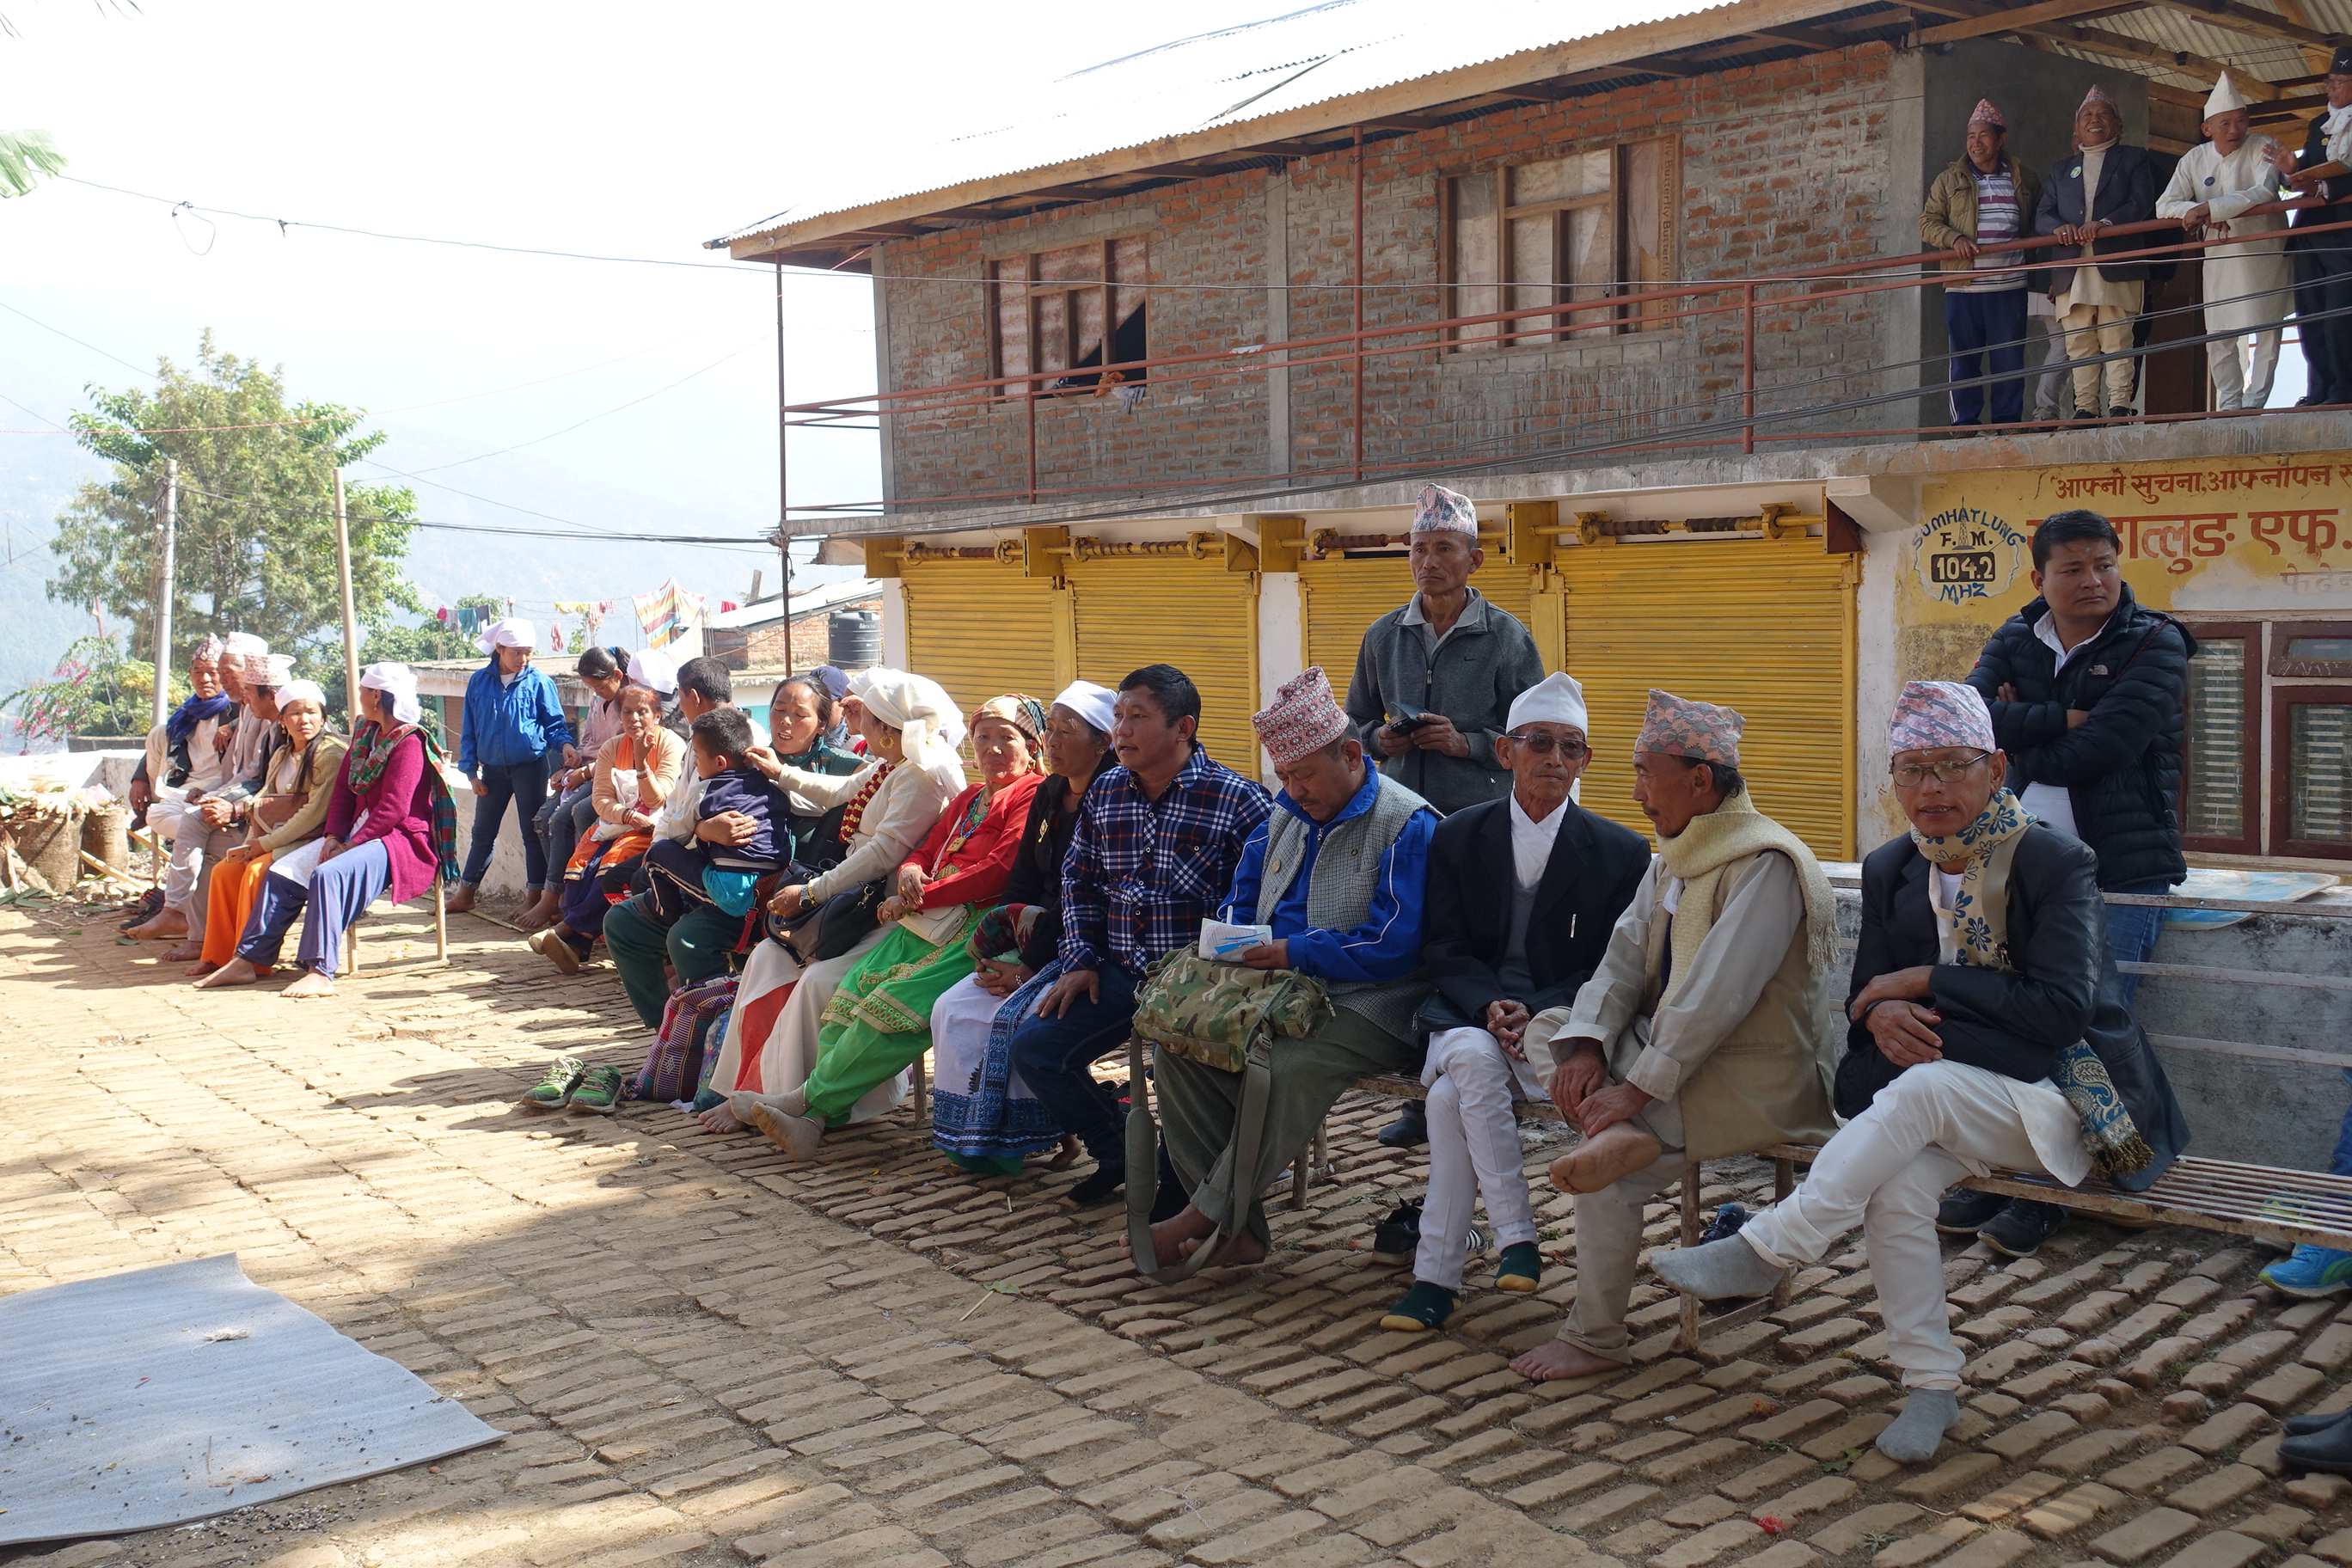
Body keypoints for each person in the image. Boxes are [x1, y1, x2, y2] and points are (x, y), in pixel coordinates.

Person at [1647, 682, 2188, 1465]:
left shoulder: (2053, 860)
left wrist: (1930, 982)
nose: (1930, 788)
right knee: (1897, 1186)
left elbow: (2061, 1013)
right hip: (1947, 1100)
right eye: (1911, 769)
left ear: (1995, 769)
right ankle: (1932, 1385)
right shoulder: (1893, 867)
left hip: (2065, 1102)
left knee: (1926, 1090)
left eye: (1952, 766)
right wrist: (1880, 1018)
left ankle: (1769, 1249)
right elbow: (1866, 1000)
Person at [1508, 689, 1841, 1381]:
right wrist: (1590, 1045)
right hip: (1675, 1058)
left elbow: (1715, 997)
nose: (1635, 793)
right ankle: (1615, 1132)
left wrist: (1635, 1091)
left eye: (1644, 773)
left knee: (1608, 1178)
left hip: (1754, 1075)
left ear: (1699, 779)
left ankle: (1594, 1338)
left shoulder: (1768, 863)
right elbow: (1622, 959)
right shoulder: (1675, 857)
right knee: (1552, 1029)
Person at [1378, 672, 1651, 1331]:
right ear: (1506, 752)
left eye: (1570, 747)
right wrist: (1489, 1005)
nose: (1555, 759)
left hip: (1558, 1025)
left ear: (1585, 761)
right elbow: (1442, 945)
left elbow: (1613, 966)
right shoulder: (1458, 835)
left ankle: (1437, 1279)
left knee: (1449, 1099)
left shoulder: (1619, 852)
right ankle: (1515, 1235)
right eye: (1539, 743)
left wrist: (1539, 1009)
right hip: (1466, 1013)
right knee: (1471, 1057)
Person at [1140, 667, 1436, 1271]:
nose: (1294, 791)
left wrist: (1294, 951)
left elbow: (1397, 946)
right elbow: (1240, 901)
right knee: (1180, 1050)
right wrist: (1232, 944)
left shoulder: (1408, 822)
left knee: (1285, 1067)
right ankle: (1241, 1233)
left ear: (1351, 756)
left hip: (1376, 1000)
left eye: (1305, 775)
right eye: (1285, 777)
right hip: (1273, 988)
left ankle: (1206, 1215)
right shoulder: (1282, 817)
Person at [1957, 508, 2194, 1254]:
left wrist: (2021, 731)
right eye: (2074, 568)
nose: (2093, 580)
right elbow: (1970, 721)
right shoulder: (2015, 636)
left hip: (2119, 871)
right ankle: (2019, 1170)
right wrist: (2064, 719)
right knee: (2013, 1024)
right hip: (2017, 867)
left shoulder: (2155, 643)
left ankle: (2069, 1185)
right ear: (2041, 578)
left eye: (2104, 565)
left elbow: (2106, 749)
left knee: (2092, 1029)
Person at [1010, 665, 1271, 1207]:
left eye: (1138, 716)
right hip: (1120, 971)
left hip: (1199, 981)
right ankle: (1122, 1155)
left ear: (1183, 728)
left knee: (1182, 1072)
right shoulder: (1106, 791)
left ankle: (1180, 1183)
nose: (1121, 730)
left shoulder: (1239, 800)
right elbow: (1078, 882)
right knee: (1035, 1048)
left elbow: (1264, 905)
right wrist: (1080, 959)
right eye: (1119, 716)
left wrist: (1217, 976)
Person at [744, 695, 1048, 1160]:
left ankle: (807, 1104)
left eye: (1005, 738)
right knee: (850, 997)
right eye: (982, 737)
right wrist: (911, 871)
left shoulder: (1031, 795)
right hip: (923, 919)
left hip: (977, 927)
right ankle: (817, 1118)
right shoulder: (969, 797)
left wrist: (918, 895)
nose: (991, 748)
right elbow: (927, 847)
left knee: (893, 1012)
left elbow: (998, 870)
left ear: (1032, 747)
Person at [1343, 482, 1544, 1148]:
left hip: (1481, 825)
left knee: (1475, 952)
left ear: (1474, 559)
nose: (1428, 562)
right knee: (1413, 949)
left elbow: (1535, 735)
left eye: (1444, 549)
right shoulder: (1384, 636)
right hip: (1403, 824)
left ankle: (1487, 1083)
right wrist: (1380, 740)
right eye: (1419, 549)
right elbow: (1353, 724)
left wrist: (1469, 744)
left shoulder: (1506, 637)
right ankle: (1422, 1094)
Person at [708, 671, 966, 1136]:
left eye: (864, 713)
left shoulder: (920, 776)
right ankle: (742, 1088)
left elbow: (881, 854)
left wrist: (811, 893)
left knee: (816, 983)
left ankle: (802, 1101)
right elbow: (840, 791)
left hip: (885, 916)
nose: (852, 717)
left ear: (886, 727)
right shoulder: (892, 763)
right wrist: (781, 773)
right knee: (765, 958)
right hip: (850, 908)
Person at [930, 680, 1118, 1174]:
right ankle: (972, 1141)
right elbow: (1022, 882)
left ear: (1103, 742)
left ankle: (1034, 1137)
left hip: (1083, 946)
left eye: (1066, 731)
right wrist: (1003, 947)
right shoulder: (1051, 792)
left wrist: (1029, 967)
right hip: (1035, 939)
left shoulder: (1114, 798)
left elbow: (1089, 901)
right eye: (1049, 730)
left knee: (1011, 1019)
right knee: (952, 1008)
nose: (1052, 742)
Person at [199, 663, 457, 999]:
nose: (359, 697)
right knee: (283, 873)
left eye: (363, 691)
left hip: (400, 840)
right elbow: (344, 795)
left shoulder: (408, 741)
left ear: (376, 696)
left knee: (327, 874)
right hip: (356, 833)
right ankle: (247, 960)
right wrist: (334, 836)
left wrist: (350, 846)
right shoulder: (365, 734)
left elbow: (393, 810)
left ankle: (320, 971)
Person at [599, 658, 763, 1029]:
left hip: (725, 874)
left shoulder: (744, 738)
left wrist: (690, 834)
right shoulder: (698, 737)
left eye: (681, 696)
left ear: (692, 696)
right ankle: (666, 1030)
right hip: (684, 856)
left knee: (682, 934)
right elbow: (676, 806)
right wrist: (681, 836)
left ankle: (705, 1033)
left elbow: (725, 816)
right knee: (621, 921)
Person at [187, 681, 346, 979]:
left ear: (323, 717)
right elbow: (265, 800)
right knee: (225, 870)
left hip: (316, 838)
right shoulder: (283, 753)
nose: (304, 720)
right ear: (282, 720)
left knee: (256, 872)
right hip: (279, 836)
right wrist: (251, 843)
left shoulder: (330, 754)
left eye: (312, 712)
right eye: (295, 713)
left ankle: (251, 962)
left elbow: (314, 814)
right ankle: (218, 956)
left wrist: (265, 845)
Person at [526, 683, 684, 974]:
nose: (634, 719)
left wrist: (641, 762)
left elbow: (657, 799)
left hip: (653, 828)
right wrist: (625, 815)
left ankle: (566, 931)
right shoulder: (612, 746)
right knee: (581, 866)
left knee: (611, 867)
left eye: (642, 712)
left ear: (657, 716)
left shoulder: (670, 744)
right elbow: (600, 799)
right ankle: (577, 943)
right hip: (618, 822)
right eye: (627, 712)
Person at [2157, 74, 2292, 413]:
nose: (2236, 129)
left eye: (2241, 121)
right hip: (2220, 255)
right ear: (2207, 129)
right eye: (2226, 123)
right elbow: (2165, 205)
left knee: (2267, 326)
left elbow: (2264, 191)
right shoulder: (2194, 159)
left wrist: (2211, 207)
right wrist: (2198, 212)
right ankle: (2229, 404)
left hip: (2263, 252)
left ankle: (2255, 402)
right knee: (2219, 332)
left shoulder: (2262, 145)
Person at [2036, 85, 2160, 421]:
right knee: (2079, 341)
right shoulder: (2061, 169)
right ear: (2076, 127)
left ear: (2117, 126)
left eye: (2103, 114)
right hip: (2072, 266)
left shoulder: (2133, 158)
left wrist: (2105, 224)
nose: (2095, 120)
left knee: (2117, 336)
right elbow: (2042, 214)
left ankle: (2119, 404)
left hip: (2115, 261)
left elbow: (2141, 202)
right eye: (2087, 115)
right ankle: (2086, 408)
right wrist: (2059, 228)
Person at [1920, 99, 2043, 430]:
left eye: (1983, 135)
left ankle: (2006, 424)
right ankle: (1965, 425)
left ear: (2002, 139)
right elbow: (1927, 223)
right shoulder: (1948, 180)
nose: (1975, 143)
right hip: (1964, 287)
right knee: (1964, 359)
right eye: (1970, 136)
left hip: (2010, 285)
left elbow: (2039, 222)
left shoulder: (2023, 178)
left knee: (2009, 359)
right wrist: (1954, 239)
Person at [450, 619, 572, 917]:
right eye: (517, 653)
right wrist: (470, 773)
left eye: (528, 652)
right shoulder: (478, 682)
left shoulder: (540, 683)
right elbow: (470, 729)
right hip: (492, 770)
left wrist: (565, 745)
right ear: (499, 648)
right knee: (482, 832)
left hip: (530, 767)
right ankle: (466, 894)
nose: (523, 659)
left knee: (532, 831)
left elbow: (554, 725)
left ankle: (533, 897)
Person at [124, 637, 238, 946]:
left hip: (223, 792)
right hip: (184, 792)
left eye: (213, 672)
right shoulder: (188, 712)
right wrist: (140, 779)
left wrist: (231, 727)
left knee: (192, 827)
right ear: (190, 674)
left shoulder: (237, 712)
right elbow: (162, 745)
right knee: (157, 813)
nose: (205, 679)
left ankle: (177, 910)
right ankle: (197, 842)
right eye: (198, 672)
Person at [519, 645, 630, 932]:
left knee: (563, 818)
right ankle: (557, 896)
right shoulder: (597, 701)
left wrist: (584, 773)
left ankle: (557, 895)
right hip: (585, 769)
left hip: (606, 773)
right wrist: (571, 764)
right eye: (592, 688)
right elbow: (590, 739)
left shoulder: (628, 704)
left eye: (600, 687)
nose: (597, 693)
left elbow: (618, 752)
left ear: (617, 675)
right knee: (542, 819)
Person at [2284, 46, 2352, 405]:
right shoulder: (2318, 124)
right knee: (2310, 313)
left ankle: (2344, 388)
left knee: (2340, 315)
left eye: (2340, 82)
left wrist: (2325, 187)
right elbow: (2311, 167)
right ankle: (2319, 389)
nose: (2331, 88)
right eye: (2330, 81)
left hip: (2346, 233)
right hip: (2312, 230)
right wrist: (2293, 170)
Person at [753, 673, 863, 864]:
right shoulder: (751, 763)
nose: (785, 720)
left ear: (821, 725)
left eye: (800, 715)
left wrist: (869, 720)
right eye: (779, 709)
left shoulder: (842, 765)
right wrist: (705, 828)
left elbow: (890, 774)